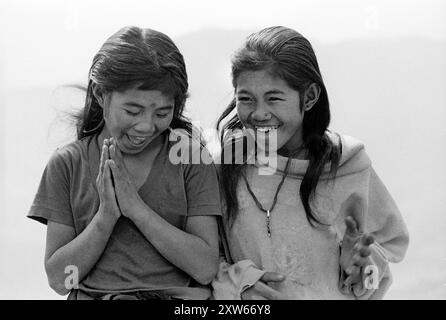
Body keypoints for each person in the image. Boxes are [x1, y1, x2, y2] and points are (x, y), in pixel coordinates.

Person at [212, 26, 409, 299]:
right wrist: (241, 281)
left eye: (274, 98)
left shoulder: (347, 164)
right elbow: (206, 259)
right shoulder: (225, 166)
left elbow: (380, 266)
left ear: (310, 97)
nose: (258, 114)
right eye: (245, 99)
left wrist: (359, 266)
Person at [28, 26, 221, 300]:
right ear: (100, 95)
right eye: (133, 110)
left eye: (162, 112)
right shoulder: (68, 164)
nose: (145, 125)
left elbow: (204, 269)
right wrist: (106, 217)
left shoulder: (191, 160)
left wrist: (136, 209)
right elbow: (61, 280)